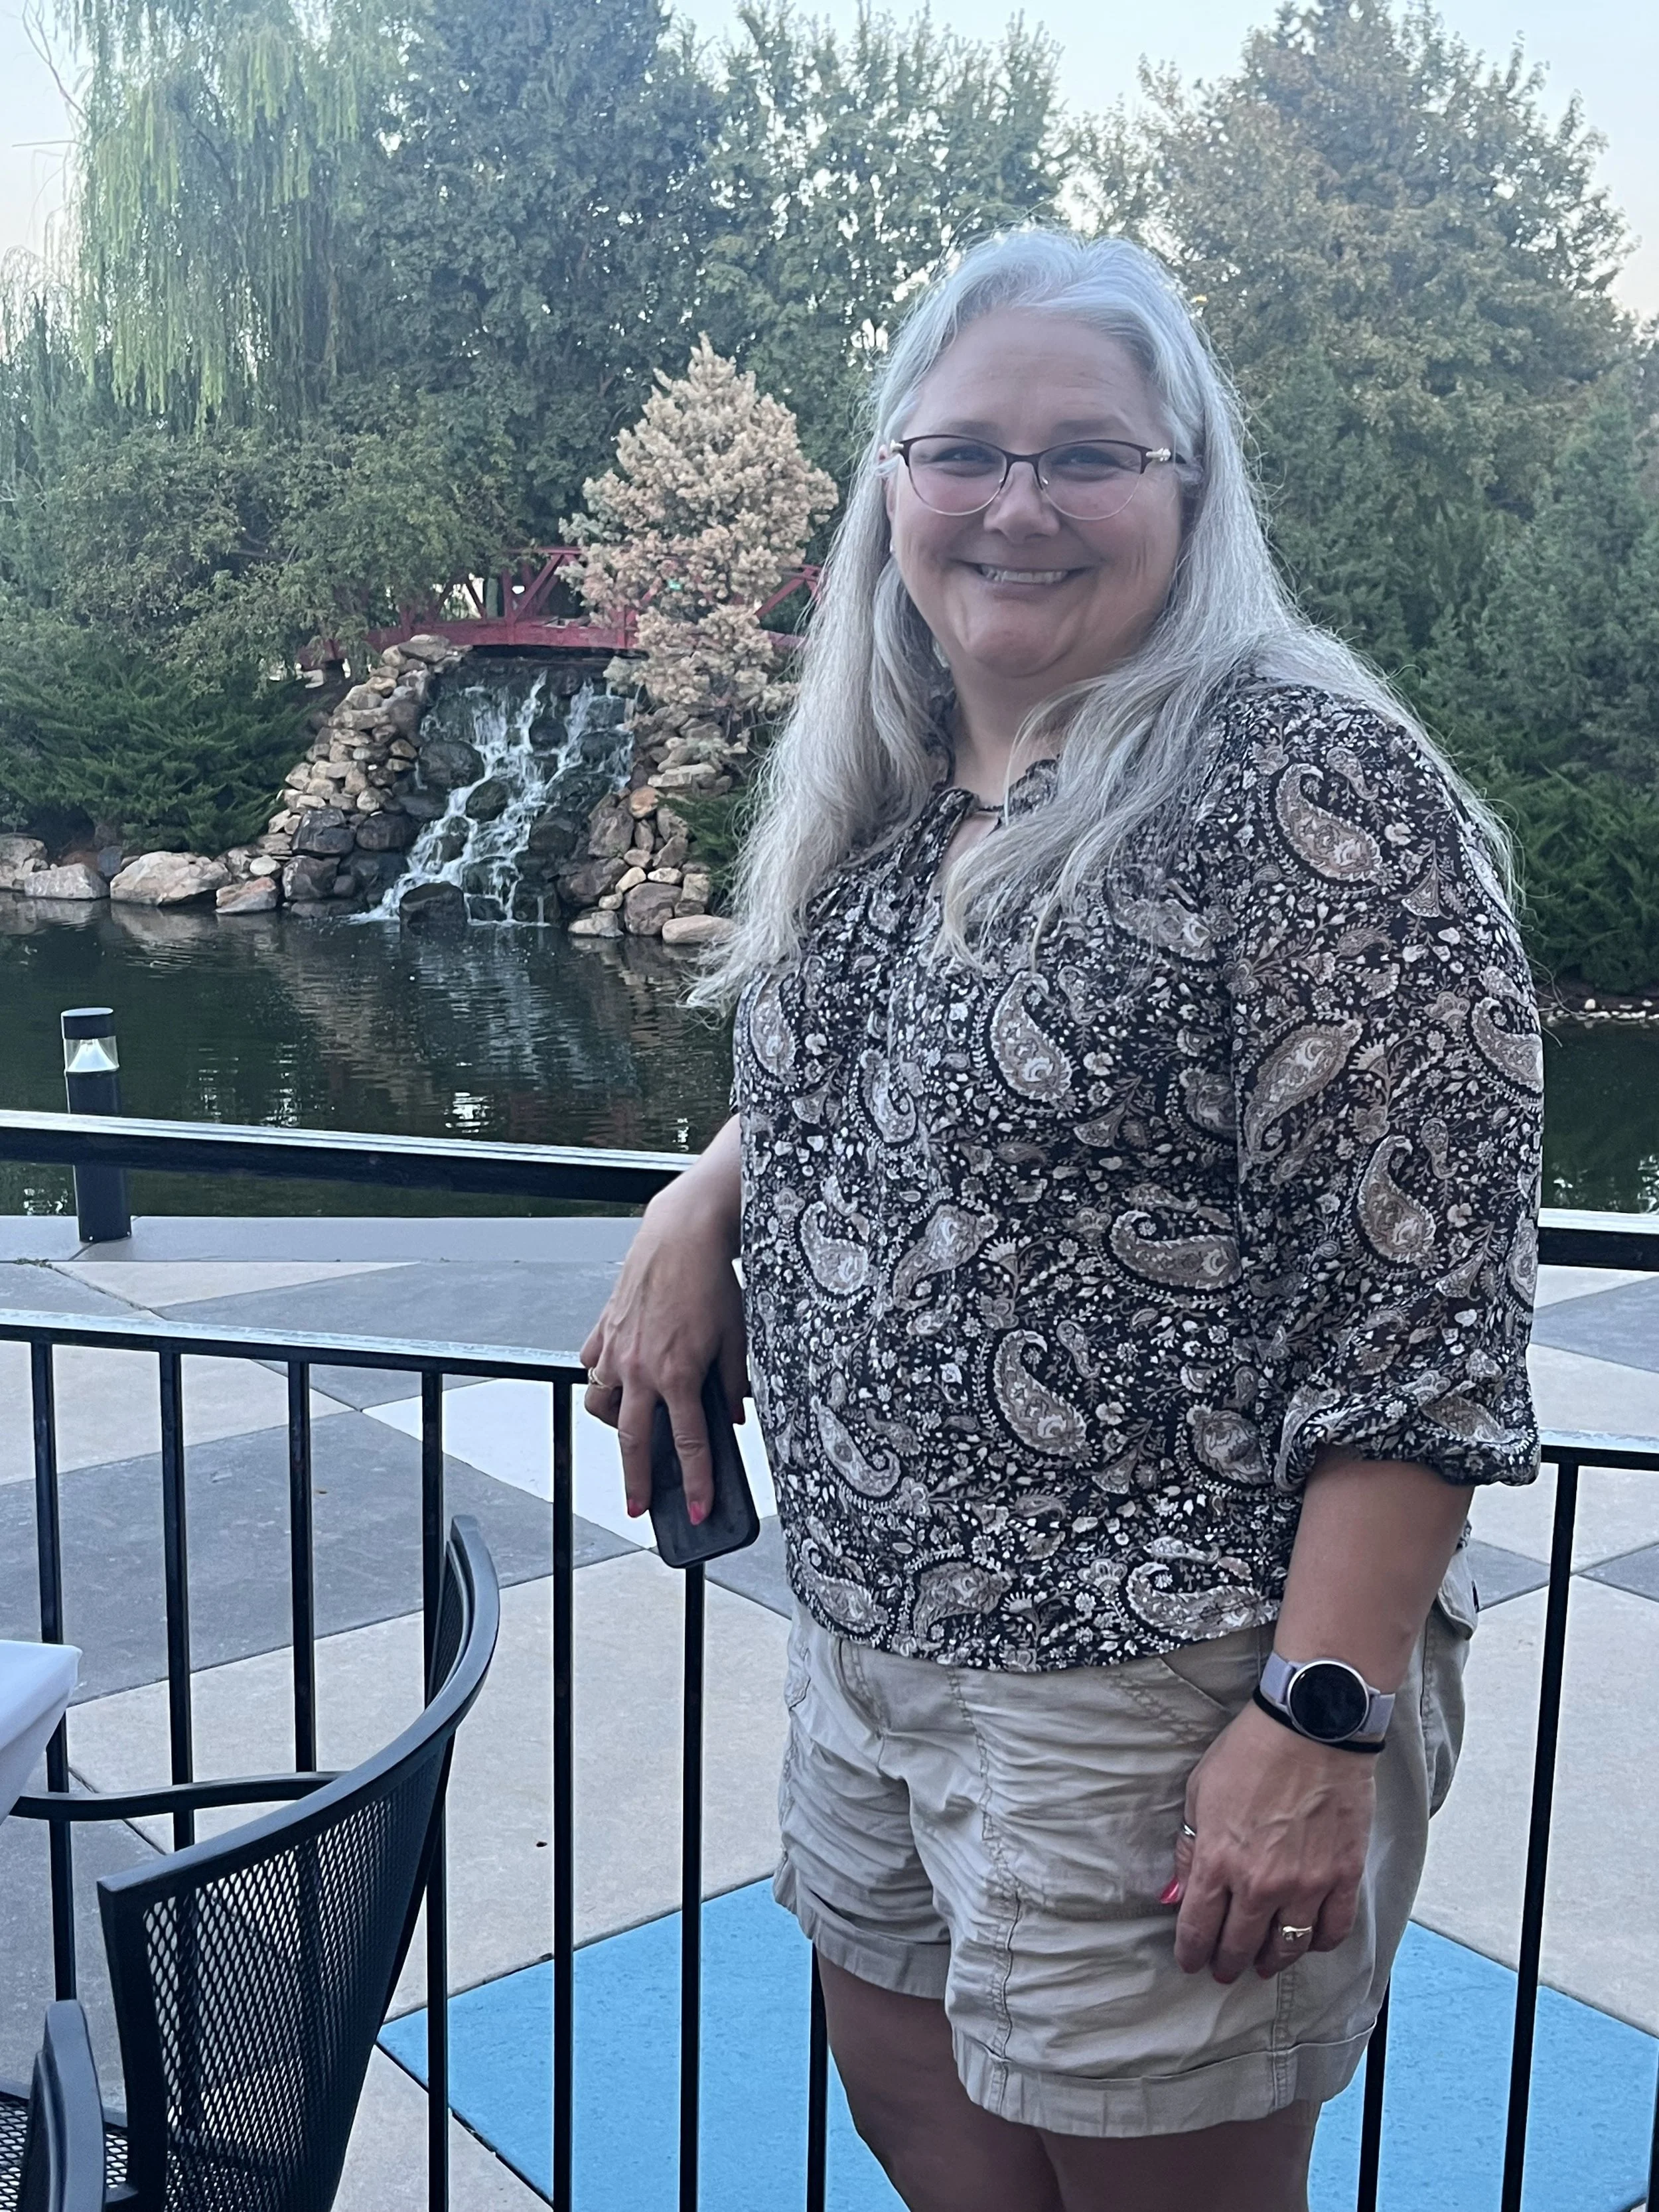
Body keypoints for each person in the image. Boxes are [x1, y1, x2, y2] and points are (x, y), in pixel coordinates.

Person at [580, 230, 1542, 2212]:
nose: (1017, 504)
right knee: (925, 2138)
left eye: (1088, 454)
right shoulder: (897, 772)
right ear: (895, 489)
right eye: (966, 452)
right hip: (870, 1648)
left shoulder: (1301, 779)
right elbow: (911, 1068)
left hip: (1161, 1685)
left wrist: (1317, 1721)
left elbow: (1419, 1314)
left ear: (1189, 493)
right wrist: (710, 1187)